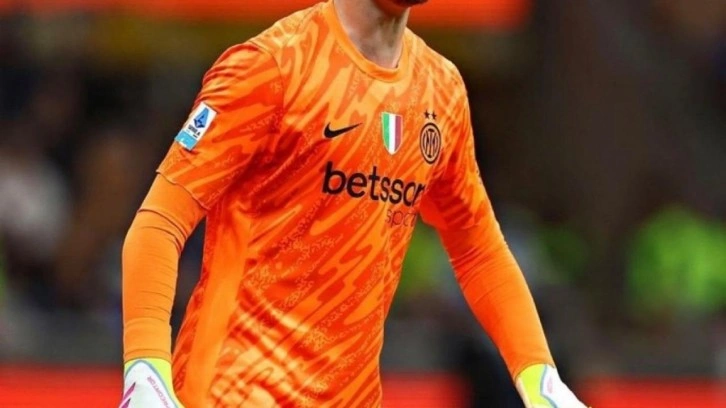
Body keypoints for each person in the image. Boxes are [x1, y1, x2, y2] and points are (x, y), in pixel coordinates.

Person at [120, 0, 589, 407]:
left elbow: (478, 250)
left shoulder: (441, 90)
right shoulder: (273, 65)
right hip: (232, 393)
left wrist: (540, 378)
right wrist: (145, 370)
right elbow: (160, 222)